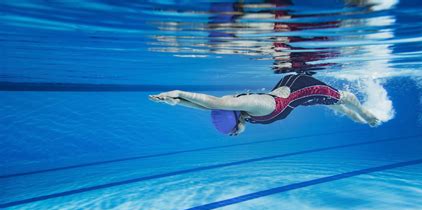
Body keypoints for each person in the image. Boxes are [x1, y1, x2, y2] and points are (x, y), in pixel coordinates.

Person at [149, 73, 380, 136]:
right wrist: (176, 102)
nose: (234, 135)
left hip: (302, 86)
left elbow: (215, 102)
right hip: (296, 96)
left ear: (235, 121)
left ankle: (364, 114)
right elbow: (209, 107)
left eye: (232, 133)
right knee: (326, 103)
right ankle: (351, 114)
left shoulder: (257, 106)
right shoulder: (244, 115)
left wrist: (179, 91)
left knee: (344, 99)